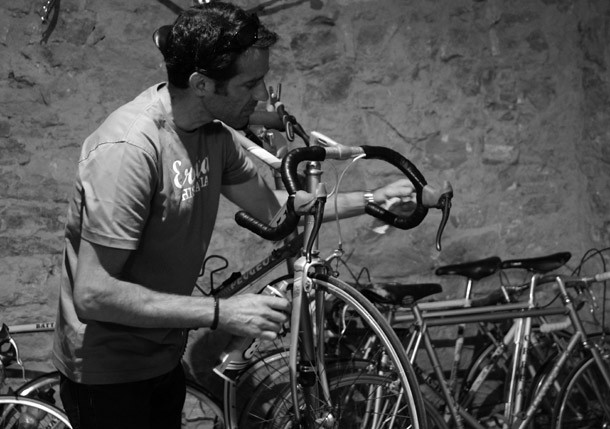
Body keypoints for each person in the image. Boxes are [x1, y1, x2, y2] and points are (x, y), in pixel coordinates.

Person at [52, 2, 416, 428]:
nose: (262, 96)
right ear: (202, 84)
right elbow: (94, 294)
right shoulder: (129, 151)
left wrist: (373, 199)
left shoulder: (213, 136)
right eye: (250, 83)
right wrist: (221, 312)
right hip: (107, 371)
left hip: (161, 358)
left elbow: (278, 210)